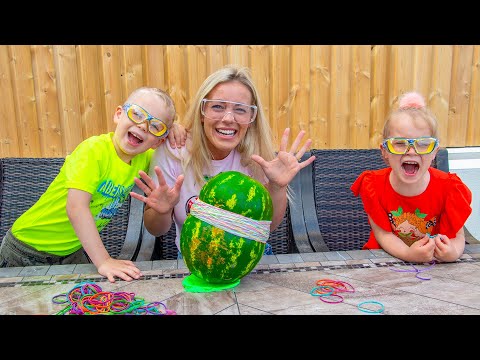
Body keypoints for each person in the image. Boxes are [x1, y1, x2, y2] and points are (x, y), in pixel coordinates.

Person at [0, 86, 186, 283]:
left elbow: (176, 144)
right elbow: (76, 207)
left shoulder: (145, 157)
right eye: (137, 114)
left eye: (155, 126)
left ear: (158, 141)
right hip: (26, 247)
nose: (142, 126)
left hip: (70, 251)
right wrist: (104, 260)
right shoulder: (93, 151)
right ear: (118, 114)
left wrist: (178, 128)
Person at [130, 65, 316, 258]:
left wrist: (277, 187)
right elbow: (156, 230)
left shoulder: (256, 156)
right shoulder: (174, 150)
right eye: (218, 106)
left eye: (240, 109)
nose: (228, 118)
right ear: (202, 112)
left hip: (249, 260)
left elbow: (267, 227)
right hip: (193, 261)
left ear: (251, 118)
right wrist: (161, 212)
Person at [351, 91, 472, 263]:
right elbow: (383, 235)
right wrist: (409, 254)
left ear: (434, 152)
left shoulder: (450, 188)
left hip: (434, 272)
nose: (411, 151)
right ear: (384, 152)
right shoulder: (373, 186)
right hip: (383, 264)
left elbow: (457, 236)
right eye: (399, 143)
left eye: (423, 144)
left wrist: (452, 251)